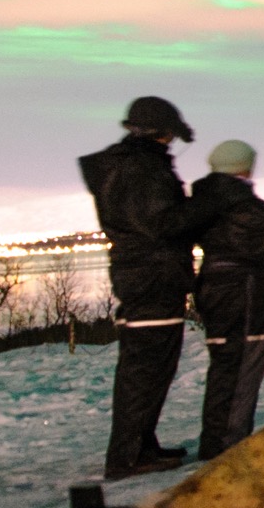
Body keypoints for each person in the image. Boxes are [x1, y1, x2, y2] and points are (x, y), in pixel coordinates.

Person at [77, 96, 212, 479]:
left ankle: (141, 444)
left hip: (144, 275)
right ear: (162, 132)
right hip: (153, 276)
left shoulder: (127, 166)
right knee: (146, 368)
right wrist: (206, 205)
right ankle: (128, 454)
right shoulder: (143, 168)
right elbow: (162, 222)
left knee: (151, 367)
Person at [189, 139, 264, 460]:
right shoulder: (238, 201)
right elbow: (251, 243)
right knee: (244, 362)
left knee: (226, 365)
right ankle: (228, 443)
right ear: (244, 166)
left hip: (218, 290)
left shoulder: (204, 199)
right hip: (245, 292)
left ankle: (218, 438)